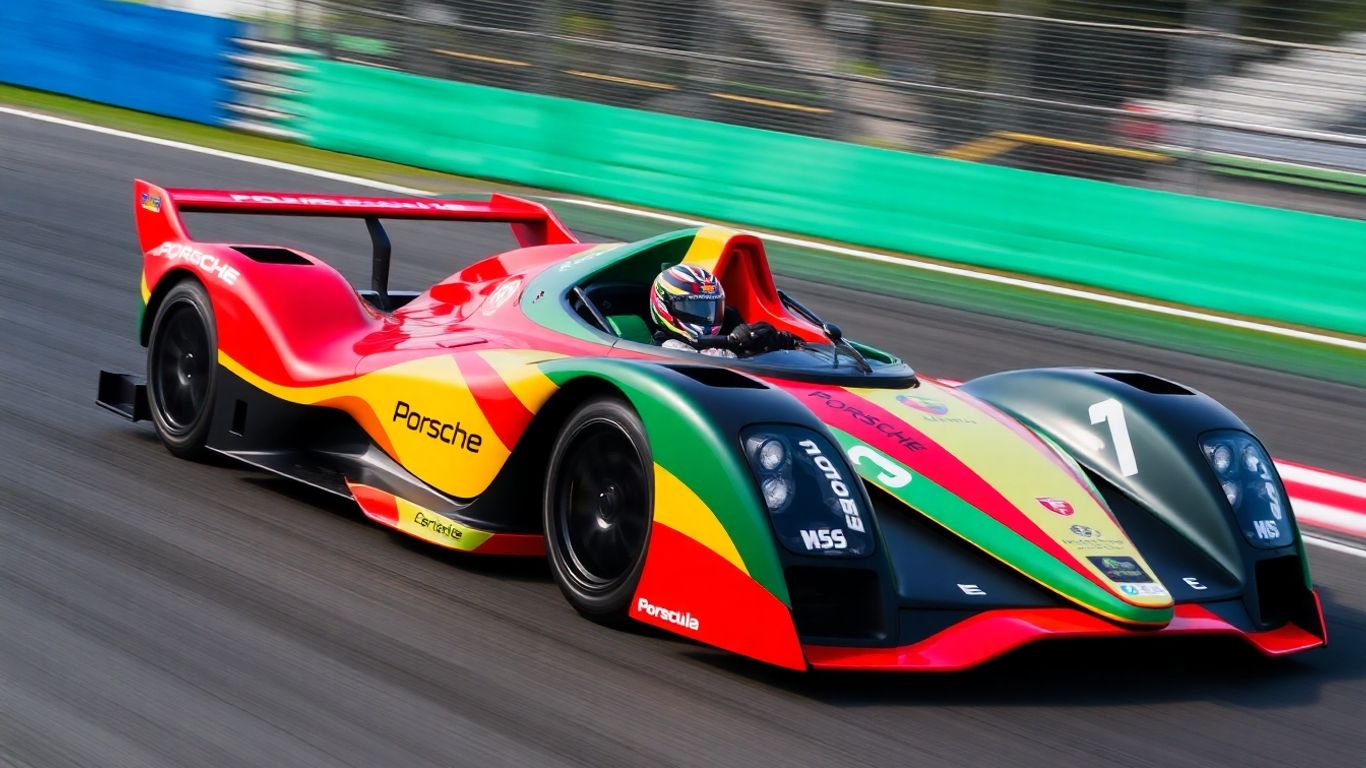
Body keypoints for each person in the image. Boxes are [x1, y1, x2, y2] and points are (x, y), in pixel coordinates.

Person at [649, 265, 800, 358]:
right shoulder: (667, 348)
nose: (707, 316)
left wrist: (771, 341)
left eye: (710, 307)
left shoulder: (729, 328)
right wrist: (738, 346)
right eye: (694, 308)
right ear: (665, 305)